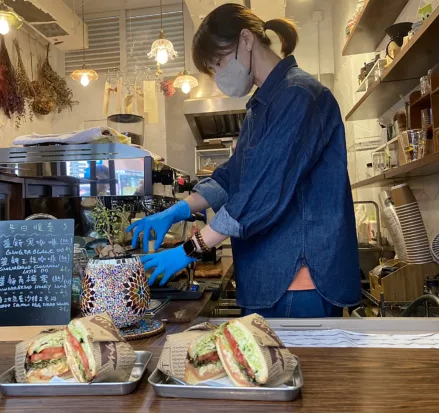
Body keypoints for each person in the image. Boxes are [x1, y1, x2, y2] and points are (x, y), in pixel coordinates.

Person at [127, 3, 361, 318]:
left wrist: (189, 249)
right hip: (269, 276)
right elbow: (229, 178)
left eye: (220, 62)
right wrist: (176, 211)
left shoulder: (299, 96)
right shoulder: (261, 107)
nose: (220, 75)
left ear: (247, 40)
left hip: (297, 278)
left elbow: (261, 193)